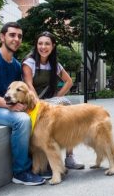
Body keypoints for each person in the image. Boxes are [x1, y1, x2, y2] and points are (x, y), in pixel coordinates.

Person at [0, 22, 45, 186]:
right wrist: (10, 106)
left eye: (19, 36)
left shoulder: (16, 65)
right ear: (2, 37)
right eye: (12, 35)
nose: (16, 39)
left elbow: (21, 91)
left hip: (6, 107)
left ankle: (39, 163)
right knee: (22, 120)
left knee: (38, 116)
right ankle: (20, 171)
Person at [22, 31, 84, 170]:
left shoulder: (55, 64)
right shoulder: (29, 62)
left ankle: (69, 157)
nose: (43, 47)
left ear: (53, 46)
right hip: (32, 102)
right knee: (63, 108)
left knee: (69, 113)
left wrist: (58, 96)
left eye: (47, 44)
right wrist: (40, 104)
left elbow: (69, 81)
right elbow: (29, 85)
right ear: (36, 45)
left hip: (48, 102)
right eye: (40, 43)